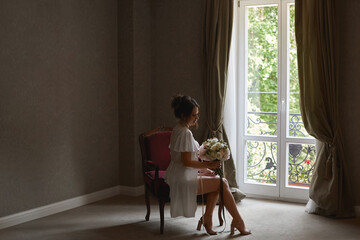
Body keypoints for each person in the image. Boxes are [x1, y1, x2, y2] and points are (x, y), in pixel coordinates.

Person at [164, 94, 251, 236]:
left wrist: (205, 169)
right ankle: (237, 221)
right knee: (221, 183)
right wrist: (209, 165)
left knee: (218, 183)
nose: (197, 118)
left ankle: (208, 219)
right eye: (194, 115)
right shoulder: (185, 133)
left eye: (197, 114)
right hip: (182, 179)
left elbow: (184, 161)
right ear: (183, 115)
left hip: (178, 173)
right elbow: (186, 162)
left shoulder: (178, 129)